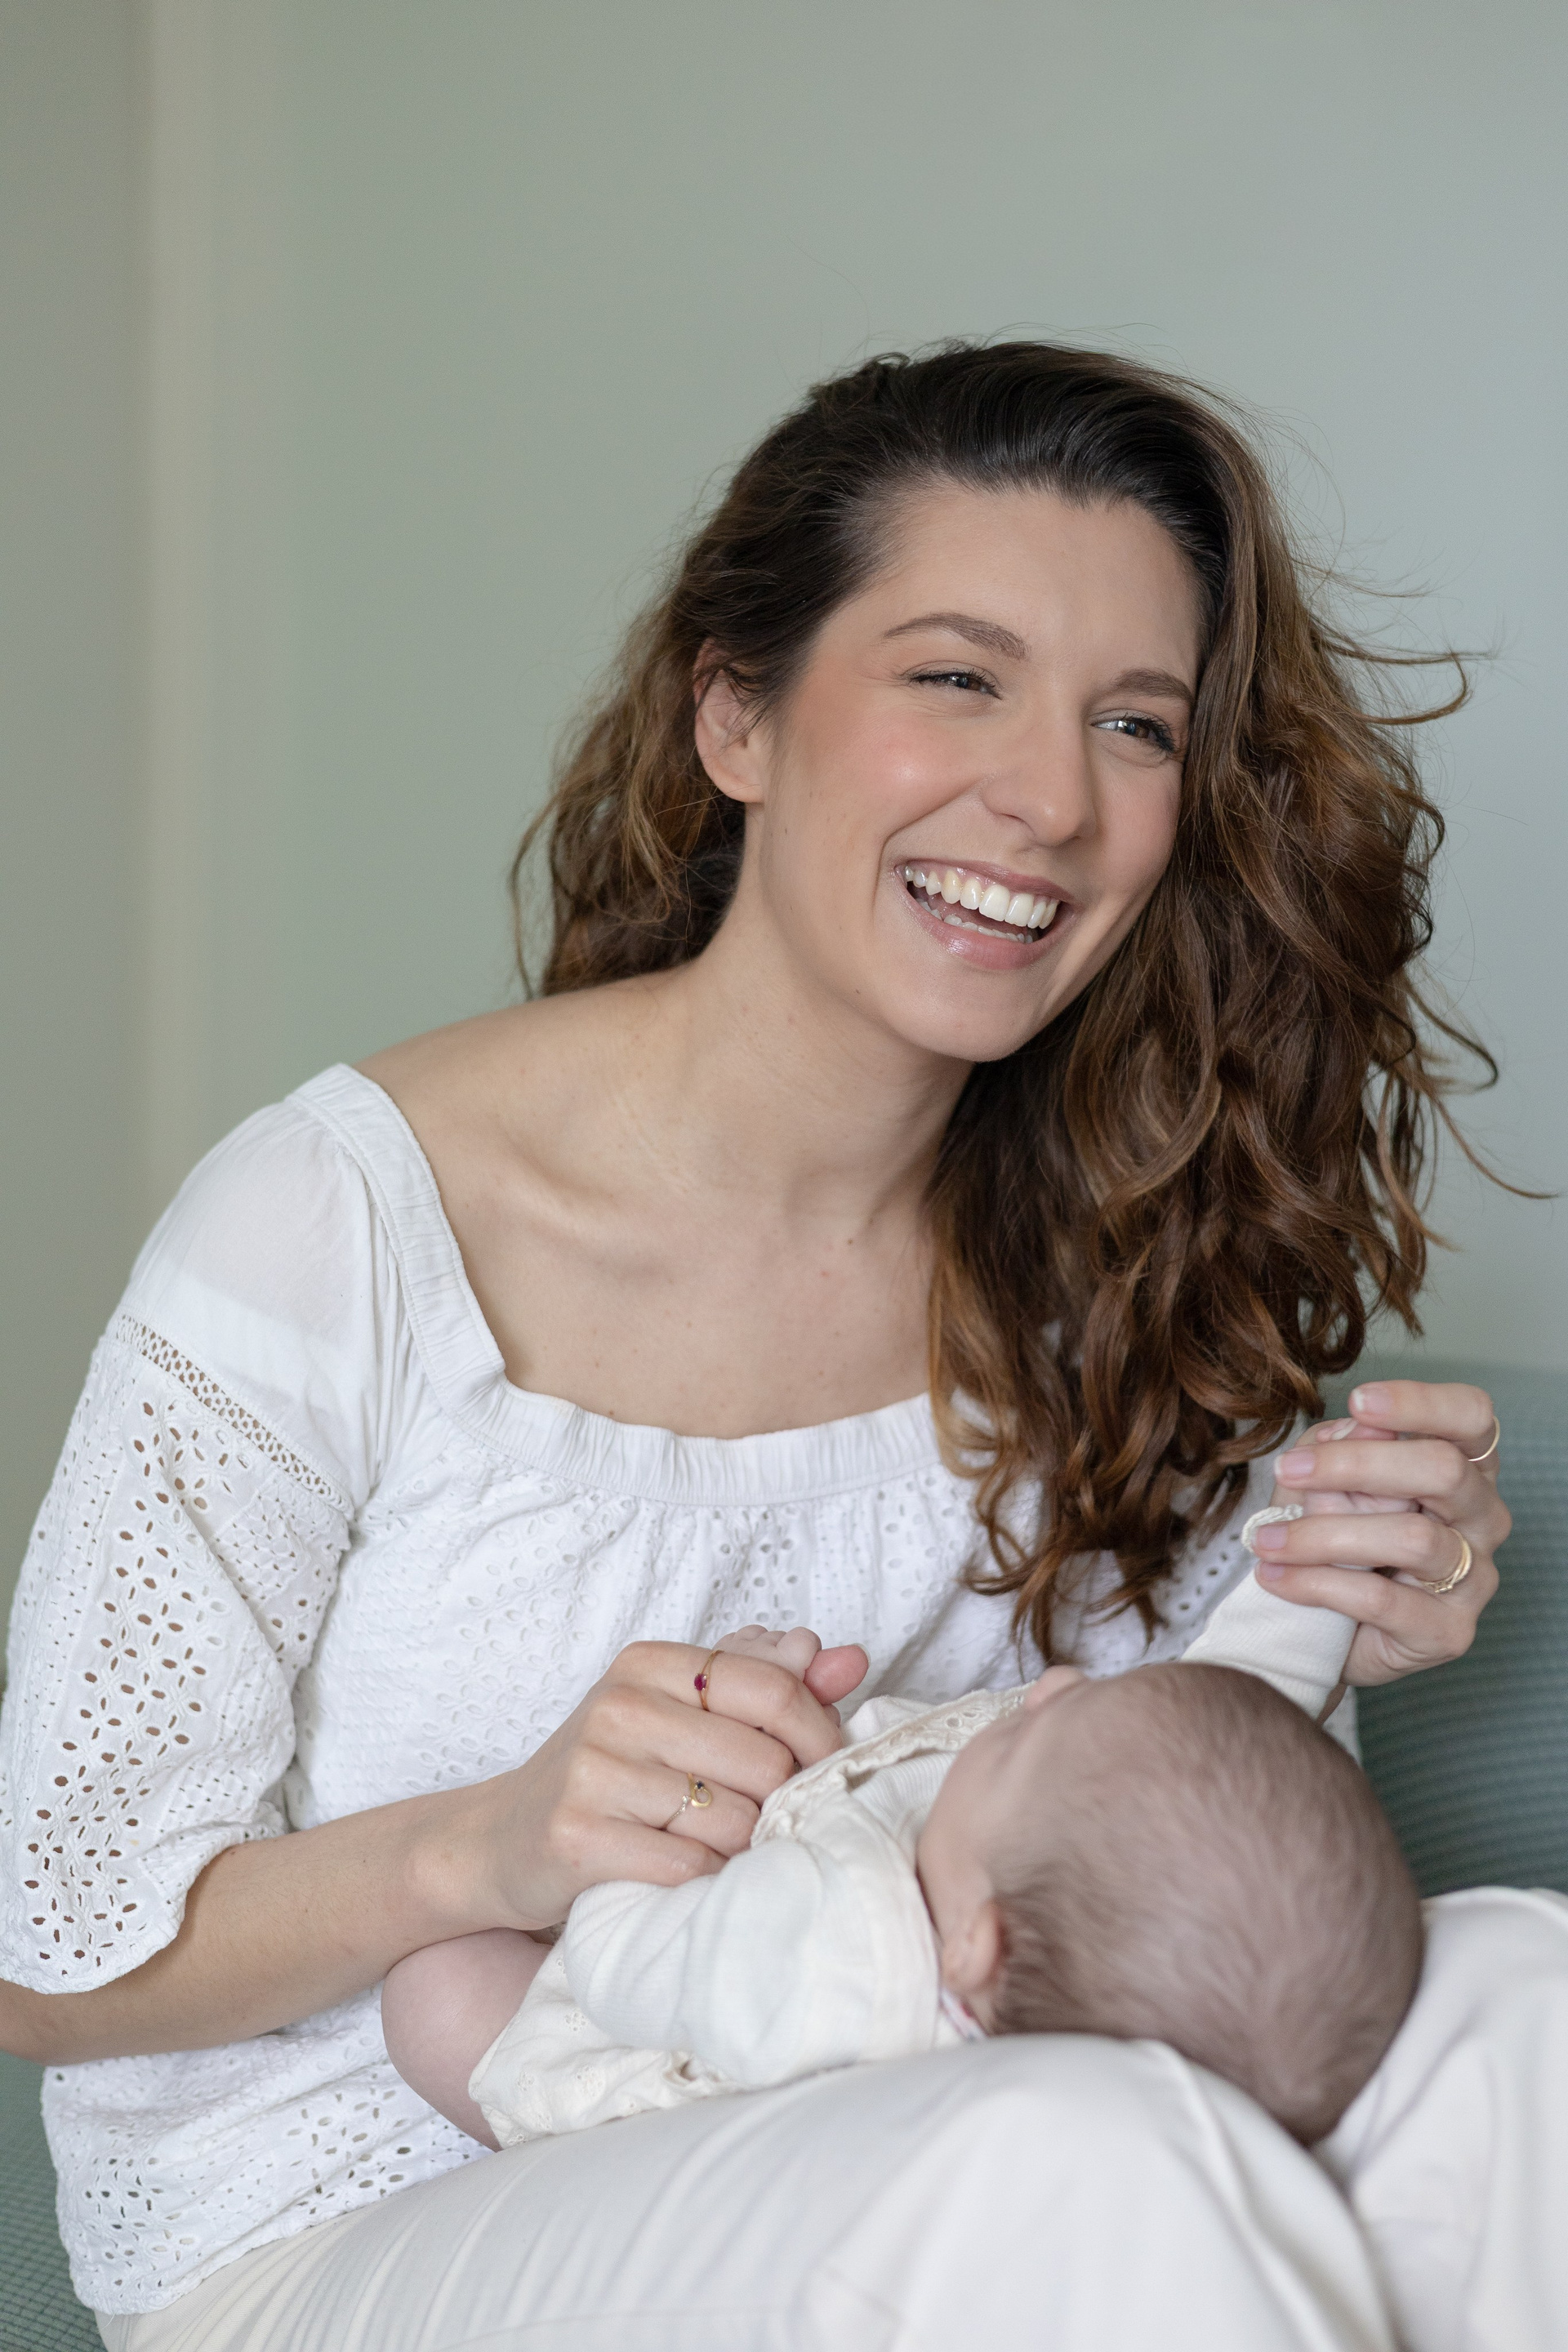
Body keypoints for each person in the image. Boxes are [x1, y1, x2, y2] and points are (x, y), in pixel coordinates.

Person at [0, 341, 1553, 2352]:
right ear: (735, 713)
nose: (1053, 798)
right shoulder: (344, 1224)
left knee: (1520, 2002)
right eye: (958, 677)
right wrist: (487, 1843)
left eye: (1137, 723)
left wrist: (1331, 1615)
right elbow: (45, 1963)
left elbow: (1165, 1913)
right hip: (349, 2232)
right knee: (1084, 2158)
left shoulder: (1119, 1255)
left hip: (911, 2141)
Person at [383, 1606, 1422, 2158]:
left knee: (436, 1992)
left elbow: (623, 1966)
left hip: (651, 2016)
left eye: (1026, 1742)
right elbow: (1231, 1712)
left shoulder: (839, 1949)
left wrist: (697, 1786)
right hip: (726, 1951)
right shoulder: (1046, 1899)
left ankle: (539, 2147)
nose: (1054, 1689)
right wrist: (1316, 1580)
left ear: (973, 1943)